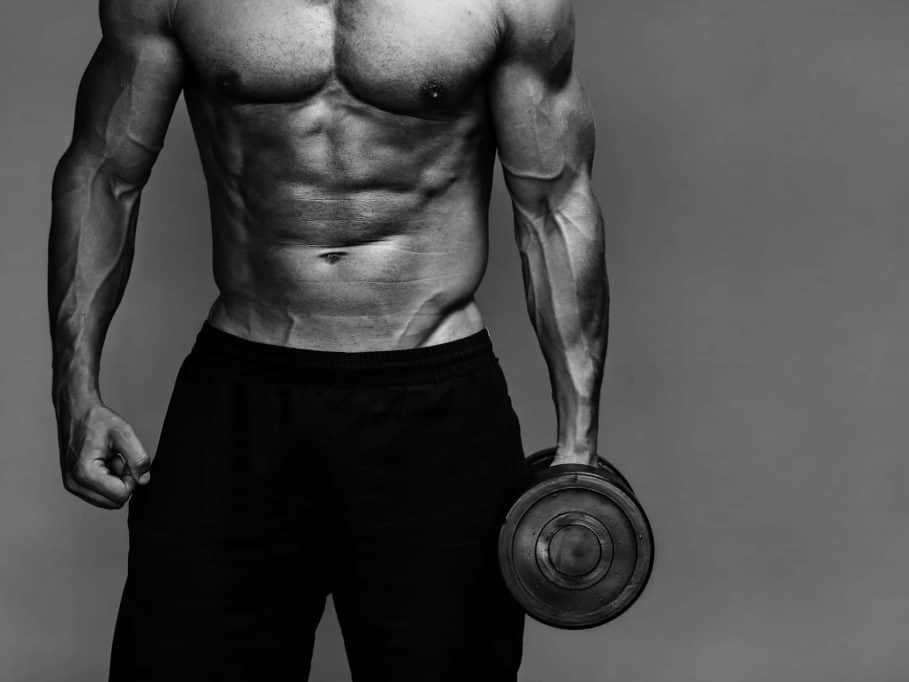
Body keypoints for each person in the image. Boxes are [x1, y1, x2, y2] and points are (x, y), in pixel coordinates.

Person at [47, 0, 608, 679]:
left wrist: (578, 444)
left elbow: (553, 205)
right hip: (241, 401)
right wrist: (76, 394)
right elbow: (105, 175)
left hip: (435, 406)